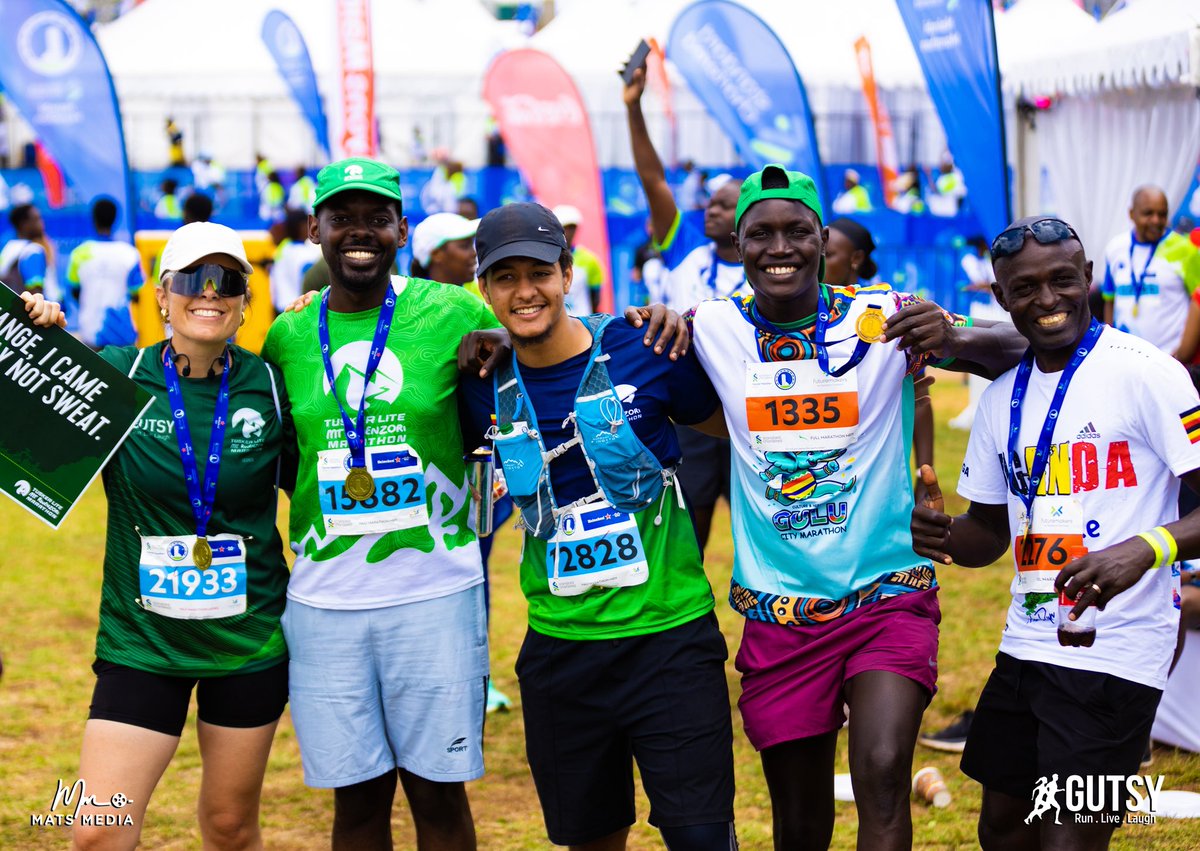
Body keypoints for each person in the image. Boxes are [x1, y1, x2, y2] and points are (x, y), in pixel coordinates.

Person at [687, 164, 1024, 850]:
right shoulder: (710, 328)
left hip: (885, 596)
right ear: (738, 243)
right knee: (801, 822)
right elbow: (589, 347)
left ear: (822, 240)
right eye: (762, 233)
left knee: (881, 774)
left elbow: (1027, 342)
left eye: (797, 232)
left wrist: (953, 335)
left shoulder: (884, 315)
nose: (779, 246)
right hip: (781, 613)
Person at [911, 215, 1200, 850]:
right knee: (1002, 830)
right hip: (1026, 645)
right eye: (1026, 288)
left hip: (1118, 651)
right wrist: (936, 532)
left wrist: (1145, 549)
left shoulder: (1148, 373)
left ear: (1089, 278)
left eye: (1063, 280)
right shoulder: (999, 399)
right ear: (999, 297)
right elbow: (987, 535)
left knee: (1070, 838)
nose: (1047, 301)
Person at [458, 202, 736, 850]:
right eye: (505, 278)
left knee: (701, 838)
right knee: (591, 840)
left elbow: (737, 431)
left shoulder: (644, 347)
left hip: (669, 641)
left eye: (538, 272)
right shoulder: (478, 380)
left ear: (566, 271)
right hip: (561, 653)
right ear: (486, 290)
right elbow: (472, 495)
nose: (524, 291)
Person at [24, 221, 294, 851]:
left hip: (246, 644)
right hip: (143, 645)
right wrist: (31, 333)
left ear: (244, 301)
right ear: (162, 294)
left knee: (230, 828)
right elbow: (24, 416)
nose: (209, 292)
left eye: (227, 280)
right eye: (192, 279)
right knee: (96, 832)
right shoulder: (114, 377)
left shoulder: (273, 384)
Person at [262, 157, 499, 850]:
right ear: (316, 229)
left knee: (439, 799)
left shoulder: (455, 310)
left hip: (435, 595)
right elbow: (286, 458)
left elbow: (539, 337)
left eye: (376, 218)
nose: (358, 232)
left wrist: (504, 338)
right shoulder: (287, 335)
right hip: (325, 602)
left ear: (403, 229)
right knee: (356, 807)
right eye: (342, 218)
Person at [624, 63, 743, 554]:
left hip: (747, 419)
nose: (711, 210)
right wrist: (633, 107)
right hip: (690, 417)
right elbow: (653, 180)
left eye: (724, 205)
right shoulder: (685, 249)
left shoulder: (776, 273)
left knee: (769, 533)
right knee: (684, 539)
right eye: (710, 203)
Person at [1102, 185, 1200, 353]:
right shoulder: (1114, 248)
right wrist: (1111, 348)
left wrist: (1182, 355)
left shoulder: (1185, 250)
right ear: (1131, 214)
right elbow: (1109, 300)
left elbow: (1197, 302)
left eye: (1162, 214)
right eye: (1148, 213)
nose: (1156, 220)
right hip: (1126, 357)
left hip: (1170, 360)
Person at [66, 197, 143, 349]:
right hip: (123, 334)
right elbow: (136, 294)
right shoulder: (130, 254)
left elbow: (74, 290)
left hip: (90, 332)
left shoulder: (79, 254)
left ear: (93, 219)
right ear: (116, 219)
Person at [552, 204, 605, 315]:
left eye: (572, 227)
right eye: (564, 227)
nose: (569, 232)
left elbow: (595, 298)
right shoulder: (545, 257)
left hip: (582, 322)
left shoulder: (590, 260)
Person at [269, 208, 321, 316]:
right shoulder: (305, 255)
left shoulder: (284, 248)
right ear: (302, 227)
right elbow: (312, 284)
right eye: (308, 224)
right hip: (297, 311)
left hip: (279, 310)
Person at [408, 212, 478, 291]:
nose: (474, 253)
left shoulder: (479, 293)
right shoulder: (414, 301)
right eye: (464, 246)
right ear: (436, 254)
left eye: (472, 244)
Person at [0, 203, 57, 297]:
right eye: (37, 219)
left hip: (12, 309)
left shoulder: (8, 249)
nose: (42, 223)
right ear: (24, 224)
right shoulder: (33, 250)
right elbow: (36, 294)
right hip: (34, 309)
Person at [927, 152, 966, 218]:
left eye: (942, 163)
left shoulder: (951, 178)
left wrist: (929, 175)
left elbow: (938, 189)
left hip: (949, 213)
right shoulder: (956, 176)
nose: (940, 166)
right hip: (945, 213)